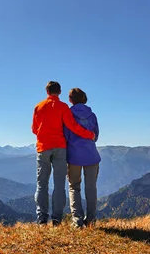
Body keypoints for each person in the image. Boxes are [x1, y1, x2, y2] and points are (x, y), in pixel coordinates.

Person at [32, 81, 95, 225]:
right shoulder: (63, 107)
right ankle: (56, 219)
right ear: (59, 92)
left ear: (47, 91)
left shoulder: (38, 107)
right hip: (60, 147)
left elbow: (34, 129)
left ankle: (42, 218)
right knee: (59, 184)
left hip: (43, 148)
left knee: (41, 184)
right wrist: (89, 134)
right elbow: (72, 126)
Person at [64, 87, 101, 227]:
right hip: (91, 155)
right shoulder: (92, 115)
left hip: (73, 156)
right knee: (91, 187)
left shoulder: (68, 114)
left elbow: (65, 134)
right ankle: (91, 220)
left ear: (70, 100)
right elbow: (95, 136)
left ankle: (77, 220)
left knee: (74, 187)